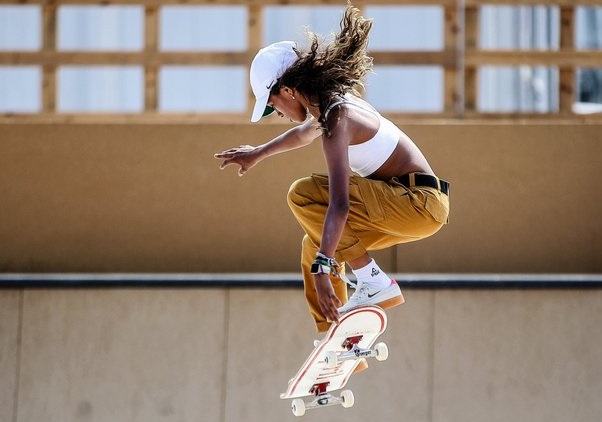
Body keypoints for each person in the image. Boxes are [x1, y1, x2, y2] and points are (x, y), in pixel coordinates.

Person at [215, 4, 450, 333]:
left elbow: (338, 203)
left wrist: (325, 267)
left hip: (416, 202)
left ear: (287, 90)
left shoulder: (336, 118)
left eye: (272, 105)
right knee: (314, 243)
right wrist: (258, 153)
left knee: (304, 195)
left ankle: (372, 280)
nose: (276, 113)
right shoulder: (331, 105)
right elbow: (301, 135)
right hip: (408, 208)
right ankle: (338, 336)